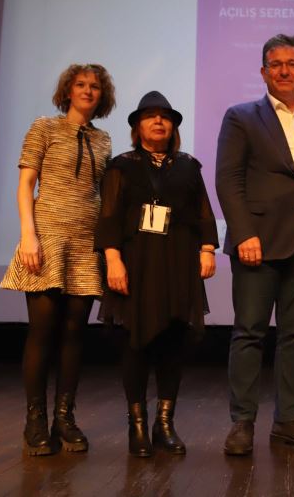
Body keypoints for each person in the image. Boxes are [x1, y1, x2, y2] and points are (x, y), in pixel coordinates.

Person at [216, 33, 294, 455]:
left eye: (292, 64)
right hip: (258, 240)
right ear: (263, 71)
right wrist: (243, 232)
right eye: (276, 64)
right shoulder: (241, 116)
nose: (284, 70)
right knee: (249, 332)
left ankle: (288, 419)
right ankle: (242, 423)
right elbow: (228, 179)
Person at [95, 90, 219, 457]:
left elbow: (203, 212)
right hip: (136, 262)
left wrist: (207, 249)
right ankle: (137, 426)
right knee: (135, 343)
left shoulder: (188, 165)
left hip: (178, 262)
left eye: (165, 116)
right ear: (137, 126)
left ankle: (164, 424)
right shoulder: (121, 166)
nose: (159, 121)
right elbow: (109, 216)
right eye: (150, 116)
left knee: (173, 343)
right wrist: (113, 260)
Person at [0, 63, 115, 455]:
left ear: (102, 96)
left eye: (95, 86)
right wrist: (28, 236)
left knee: (74, 333)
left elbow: (101, 193)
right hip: (47, 237)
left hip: (85, 243)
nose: (88, 90)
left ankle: (64, 418)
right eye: (80, 84)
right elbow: (25, 184)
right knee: (43, 331)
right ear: (68, 91)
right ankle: (35, 420)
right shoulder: (44, 127)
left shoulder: (103, 140)